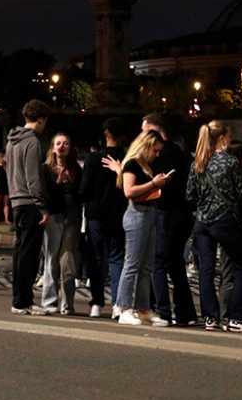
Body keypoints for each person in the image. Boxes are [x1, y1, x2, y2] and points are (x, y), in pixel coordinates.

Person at [186, 120, 242, 333]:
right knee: (240, 266)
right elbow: (239, 194)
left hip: (202, 222)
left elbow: (190, 195)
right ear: (223, 138)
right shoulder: (230, 162)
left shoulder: (198, 162)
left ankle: (210, 317)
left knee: (205, 271)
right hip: (225, 221)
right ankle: (236, 316)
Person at [138, 113, 197, 327]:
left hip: (164, 211)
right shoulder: (183, 155)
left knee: (157, 261)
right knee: (175, 262)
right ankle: (186, 312)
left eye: (145, 131)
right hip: (183, 213)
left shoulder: (158, 156)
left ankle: (162, 310)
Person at [114, 130, 170, 326]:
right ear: (146, 146)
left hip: (149, 213)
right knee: (132, 264)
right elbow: (129, 191)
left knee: (146, 266)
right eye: (155, 150)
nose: (157, 155)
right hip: (136, 214)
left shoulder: (146, 165)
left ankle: (143, 308)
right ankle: (124, 308)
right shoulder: (132, 164)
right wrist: (154, 183)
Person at [6, 99, 52, 315]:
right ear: (41, 120)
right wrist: (42, 206)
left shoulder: (11, 141)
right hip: (29, 201)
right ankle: (24, 301)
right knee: (30, 255)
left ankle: (18, 299)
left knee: (19, 252)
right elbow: (33, 177)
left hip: (16, 200)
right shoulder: (32, 142)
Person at [81, 117, 128, 319]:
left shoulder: (93, 159)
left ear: (105, 133)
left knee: (96, 258)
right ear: (123, 136)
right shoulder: (127, 159)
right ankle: (117, 302)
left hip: (96, 213)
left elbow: (84, 190)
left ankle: (97, 303)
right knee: (117, 258)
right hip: (118, 213)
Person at [40, 133, 82, 315]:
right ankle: (49, 301)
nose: (62, 146)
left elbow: (82, 193)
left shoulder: (76, 170)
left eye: (66, 143)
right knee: (51, 259)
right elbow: (44, 194)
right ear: (53, 146)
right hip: (53, 216)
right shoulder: (46, 169)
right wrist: (58, 182)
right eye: (58, 143)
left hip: (72, 217)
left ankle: (67, 304)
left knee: (67, 260)